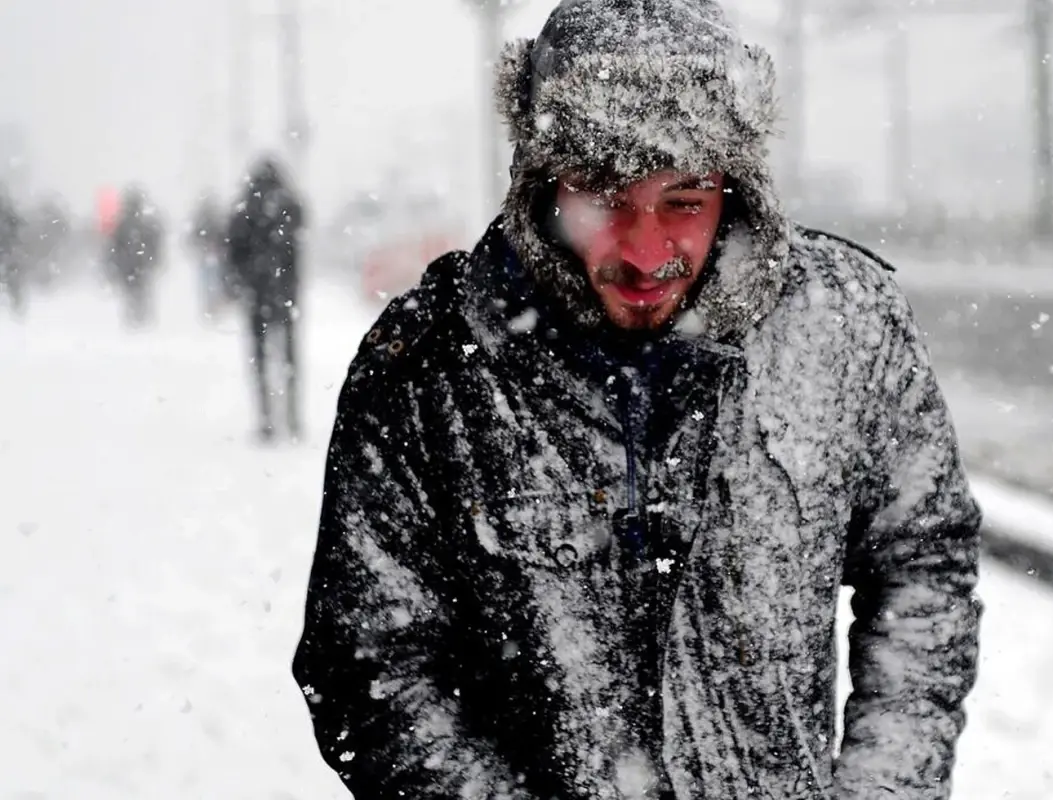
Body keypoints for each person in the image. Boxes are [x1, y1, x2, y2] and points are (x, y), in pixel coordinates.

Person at [293, 1, 983, 798]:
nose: (646, 250)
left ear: (737, 188)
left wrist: (884, 788)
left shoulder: (845, 325)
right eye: (603, 197)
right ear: (542, 186)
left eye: (685, 201)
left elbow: (923, 567)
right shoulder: (429, 366)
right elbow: (370, 661)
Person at [227, 156, 305, 442]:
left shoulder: (245, 206)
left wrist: (240, 281)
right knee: (288, 356)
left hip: (256, 292)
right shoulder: (290, 204)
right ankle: (293, 417)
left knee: (259, 356)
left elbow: (233, 250)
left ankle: (266, 419)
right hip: (285, 292)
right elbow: (297, 243)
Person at [108, 186, 164, 327]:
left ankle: (137, 317)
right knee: (139, 292)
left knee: (135, 292)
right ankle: (139, 317)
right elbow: (116, 245)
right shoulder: (141, 224)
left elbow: (115, 246)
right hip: (138, 264)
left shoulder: (125, 224)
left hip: (132, 265)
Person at [189, 191, 233, 321]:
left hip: (211, 258)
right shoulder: (216, 220)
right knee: (212, 284)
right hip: (211, 258)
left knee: (210, 284)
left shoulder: (204, 220)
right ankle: (212, 309)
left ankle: (212, 309)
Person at [0, 186, 25, 316]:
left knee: (11, 278)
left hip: (7, 251)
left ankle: (15, 306)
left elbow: (18, 224)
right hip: (7, 251)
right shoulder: (8, 212)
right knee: (12, 278)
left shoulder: (7, 212)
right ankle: (15, 305)